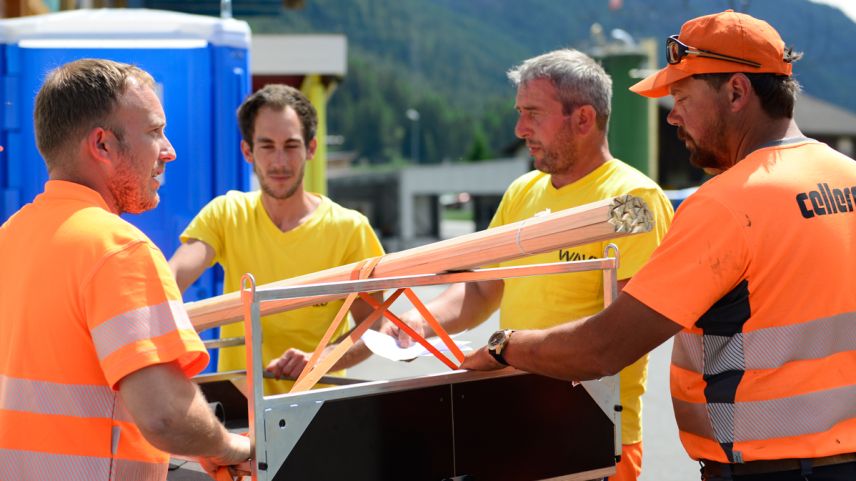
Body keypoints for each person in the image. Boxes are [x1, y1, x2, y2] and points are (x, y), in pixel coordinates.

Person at [461, 10, 856, 481]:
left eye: (682, 97)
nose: (673, 117)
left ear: (736, 91)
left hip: (769, 467)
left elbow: (603, 348)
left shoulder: (727, 206)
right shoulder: (848, 177)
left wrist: (505, 346)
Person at [383, 49, 674, 481]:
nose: (521, 129)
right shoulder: (523, 192)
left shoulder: (632, 202)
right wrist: (418, 322)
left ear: (583, 119)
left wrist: (506, 348)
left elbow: (624, 335)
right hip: (513, 426)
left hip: (591, 436)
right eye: (520, 114)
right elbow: (481, 289)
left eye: (533, 114)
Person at [0, 59, 251, 480]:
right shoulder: (120, 250)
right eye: (154, 132)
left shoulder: (10, 237)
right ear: (102, 145)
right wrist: (230, 445)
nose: (169, 150)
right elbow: (165, 415)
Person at [169, 84, 384, 394]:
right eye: (267, 146)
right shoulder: (227, 213)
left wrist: (319, 358)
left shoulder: (349, 228)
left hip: (319, 409)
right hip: (241, 412)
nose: (279, 161)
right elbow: (172, 279)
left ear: (311, 148)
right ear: (248, 151)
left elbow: (375, 326)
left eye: (291, 145)